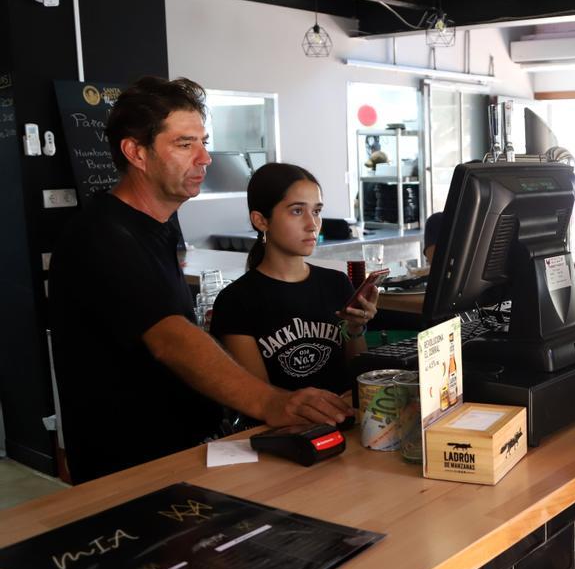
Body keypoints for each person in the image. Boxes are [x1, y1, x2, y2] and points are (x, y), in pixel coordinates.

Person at [49, 77, 351, 483]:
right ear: (135, 152)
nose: (205, 158)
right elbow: (171, 337)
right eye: (185, 144)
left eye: (203, 141)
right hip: (130, 465)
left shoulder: (160, 226)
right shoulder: (102, 234)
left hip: (183, 451)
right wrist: (272, 402)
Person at [210, 164, 378, 396]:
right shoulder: (236, 301)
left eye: (317, 211)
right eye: (297, 211)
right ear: (261, 221)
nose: (312, 225)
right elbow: (258, 397)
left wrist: (356, 329)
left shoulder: (336, 283)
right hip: (283, 428)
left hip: (345, 420)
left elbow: (355, 379)